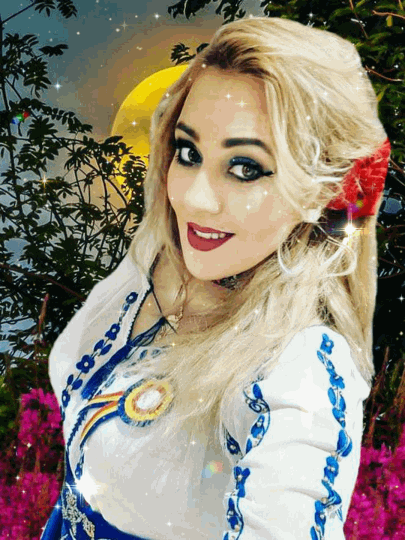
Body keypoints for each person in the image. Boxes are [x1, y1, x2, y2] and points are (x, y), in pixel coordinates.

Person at [41, 16, 390, 540]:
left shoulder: (301, 366)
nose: (195, 199)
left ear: (322, 191)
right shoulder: (153, 267)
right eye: (188, 153)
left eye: (246, 168)